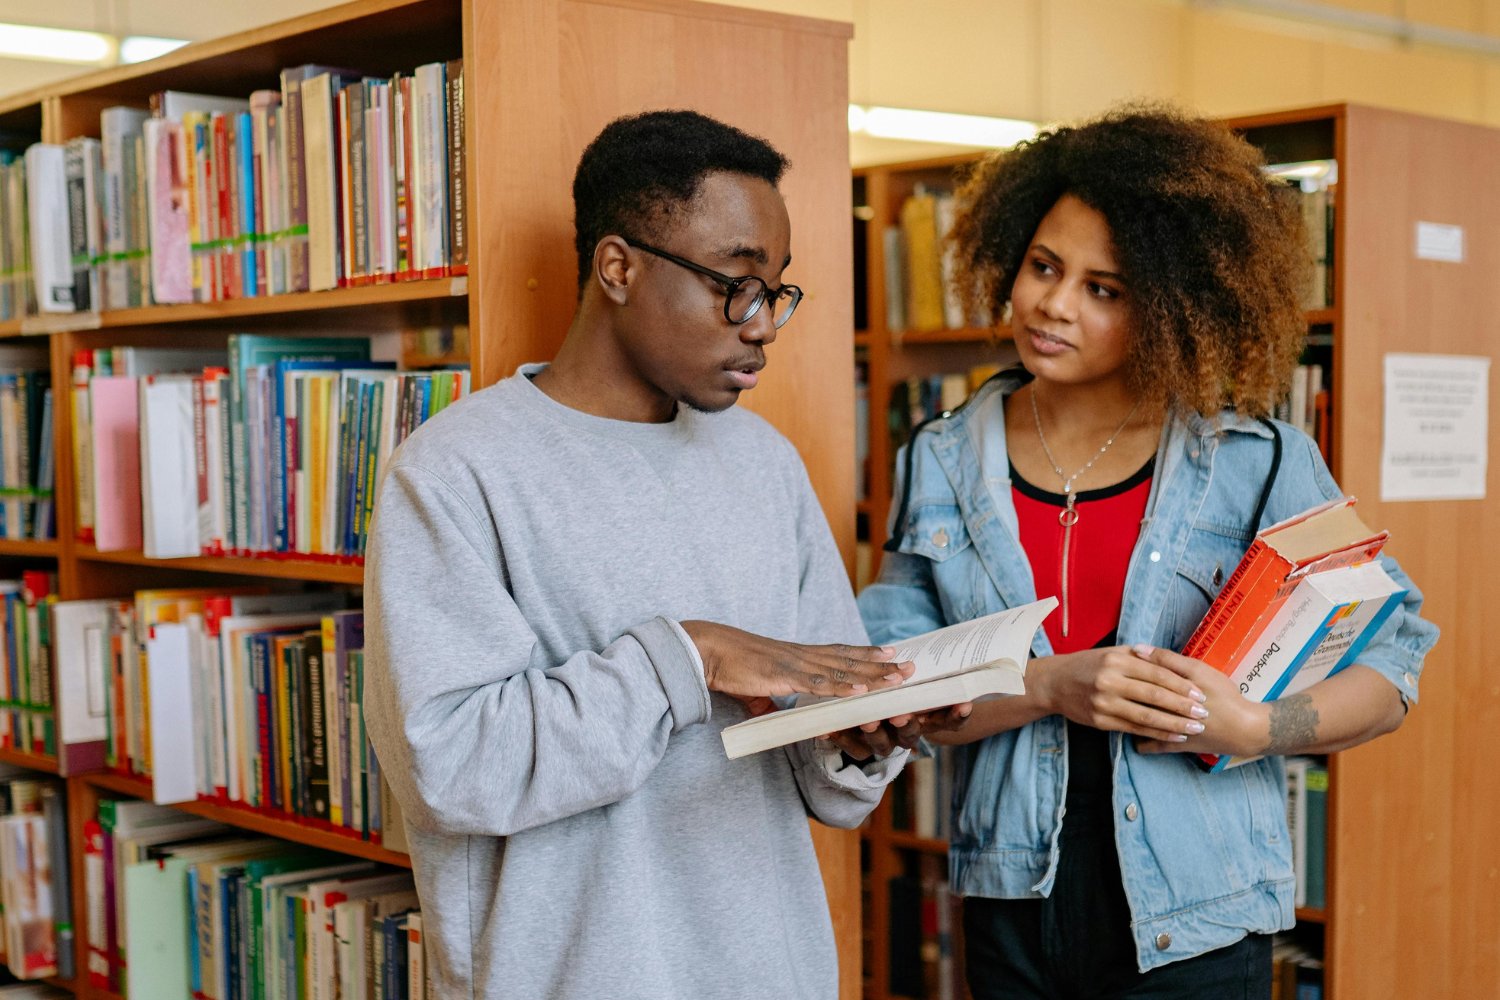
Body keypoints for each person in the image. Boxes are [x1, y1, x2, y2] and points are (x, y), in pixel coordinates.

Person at [857, 104, 1440, 999]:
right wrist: (1048, 685)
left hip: (1201, 909)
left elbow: (1393, 665)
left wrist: (1254, 729)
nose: (1053, 304)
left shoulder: (1257, 460)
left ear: (1173, 305)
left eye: (1106, 289)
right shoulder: (938, 458)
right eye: (1044, 267)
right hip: (1013, 894)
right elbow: (899, 685)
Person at [363, 109, 927, 1000]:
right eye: (734, 283)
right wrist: (691, 656)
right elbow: (452, 769)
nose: (763, 324)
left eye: (776, 290)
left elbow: (825, 761)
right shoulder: (456, 472)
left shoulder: (766, 465)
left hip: (774, 974)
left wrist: (858, 738)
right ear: (618, 268)